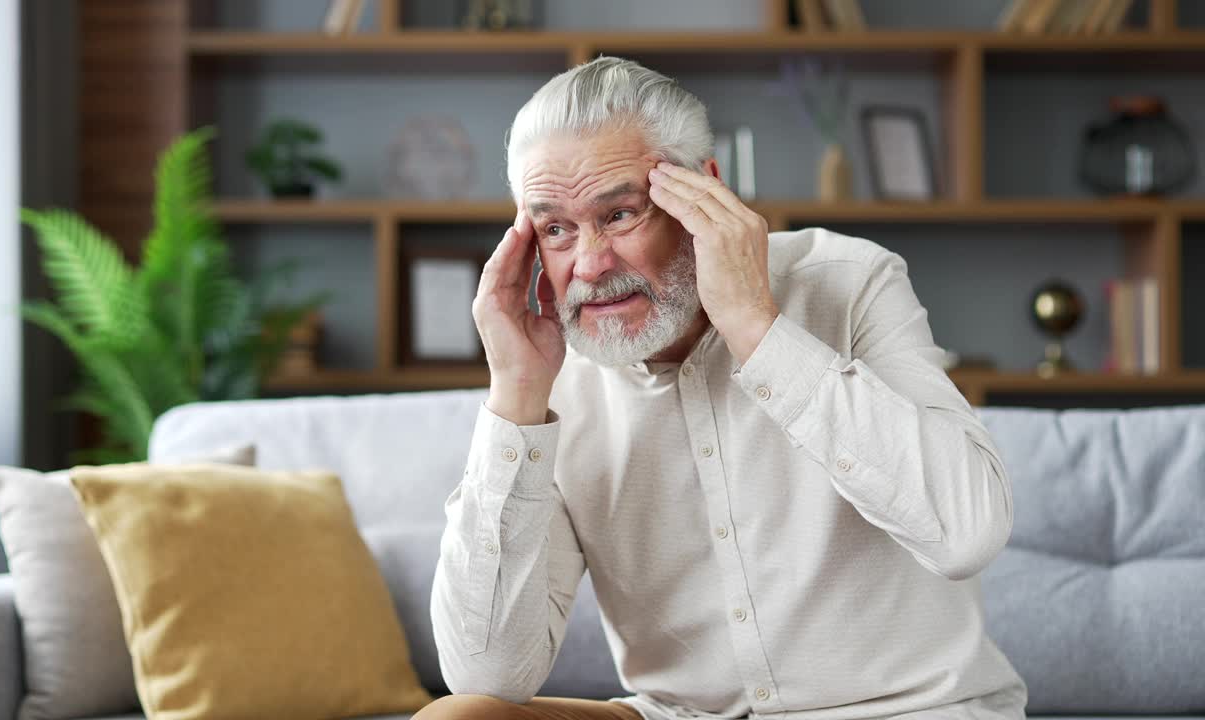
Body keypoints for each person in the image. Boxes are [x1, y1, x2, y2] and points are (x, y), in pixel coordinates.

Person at [414, 56, 1028, 720]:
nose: (588, 265)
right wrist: (516, 392)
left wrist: (755, 328)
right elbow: (486, 672)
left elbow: (967, 534)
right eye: (556, 229)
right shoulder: (554, 375)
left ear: (704, 191)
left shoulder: (851, 281)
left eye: (619, 214)